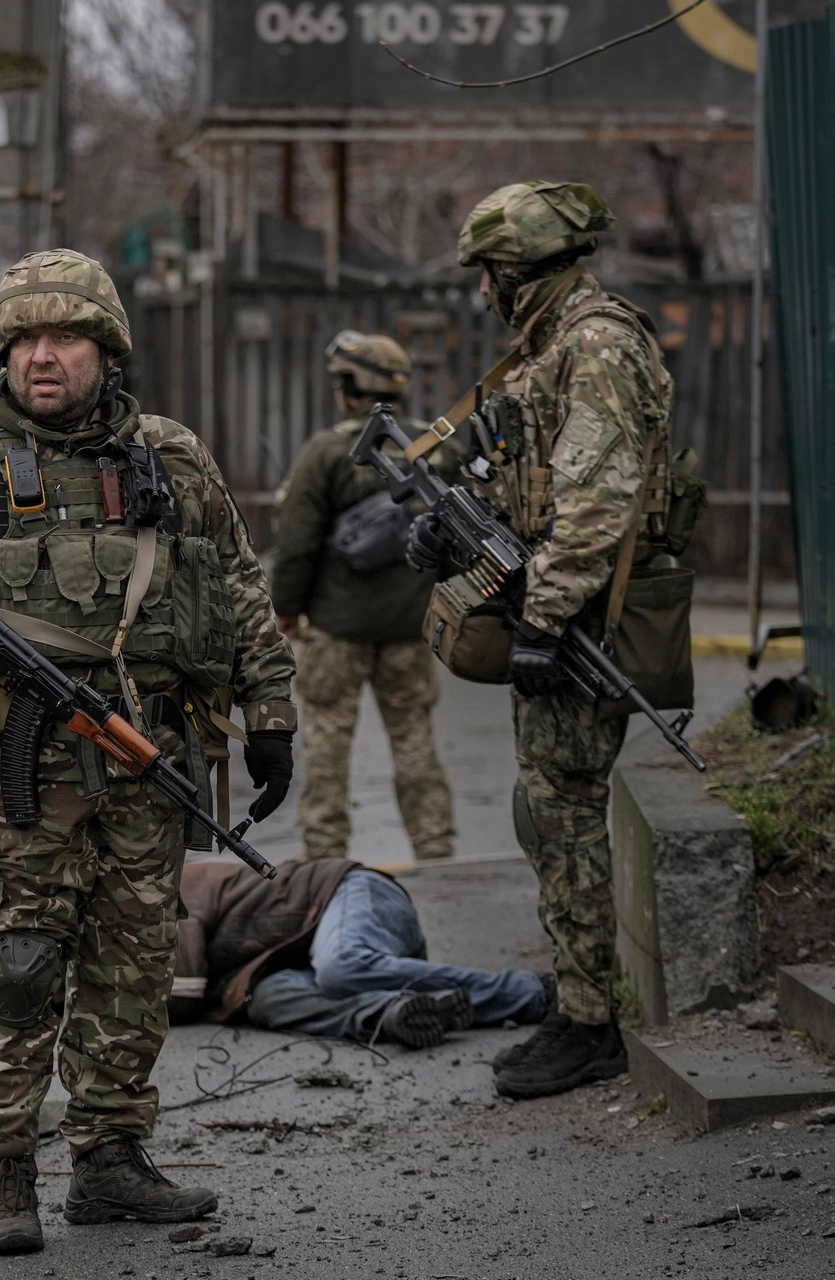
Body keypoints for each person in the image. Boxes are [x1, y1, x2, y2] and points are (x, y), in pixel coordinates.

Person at [0, 249, 298, 1256]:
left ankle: (109, 1160)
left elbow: (236, 583)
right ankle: (6, 1171)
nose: (42, 358)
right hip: (24, 768)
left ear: (107, 348)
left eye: (66, 337)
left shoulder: (172, 458)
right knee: (16, 965)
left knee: (135, 966)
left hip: (150, 760)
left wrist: (273, 711)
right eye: (24, 340)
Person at [412, 181, 675, 1099]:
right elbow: (528, 485)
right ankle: (578, 1004)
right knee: (547, 814)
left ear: (515, 272)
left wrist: (545, 616)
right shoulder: (553, 347)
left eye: (488, 273)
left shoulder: (595, 345)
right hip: (564, 607)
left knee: (560, 815)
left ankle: (589, 1023)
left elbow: (598, 504)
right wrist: (455, 528)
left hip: (588, 621)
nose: (482, 291)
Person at [270, 332, 456, 863]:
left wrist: (287, 610)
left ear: (350, 386)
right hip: (411, 628)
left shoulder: (328, 452)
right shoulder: (436, 450)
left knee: (327, 745)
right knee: (415, 740)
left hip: (336, 629)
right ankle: (437, 847)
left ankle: (326, 857)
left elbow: (297, 545)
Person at [169, 859, 549, 1046]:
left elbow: (182, 989)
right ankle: (393, 1011)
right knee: (269, 999)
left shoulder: (166, 886)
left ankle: (530, 993)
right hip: (313, 957)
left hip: (351, 892)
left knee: (340, 966)